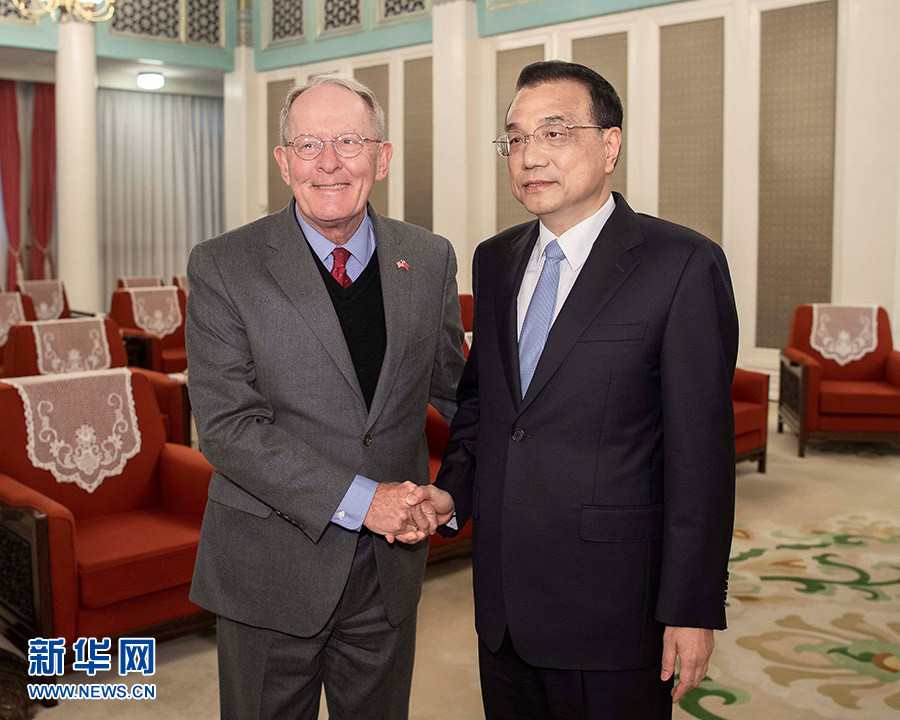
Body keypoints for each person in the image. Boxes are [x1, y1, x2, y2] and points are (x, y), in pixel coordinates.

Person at [407, 60, 739, 719]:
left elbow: (701, 456)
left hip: (615, 608)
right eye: (515, 138)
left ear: (610, 145)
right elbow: (485, 407)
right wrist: (454, 490)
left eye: (554, 133)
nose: (529, 155)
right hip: (504, 604)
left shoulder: (681, 263)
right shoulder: (495, 260)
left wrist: (692, 607)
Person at [185, 74, 465, 720]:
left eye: (348, 141)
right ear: (284, 162)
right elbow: (227, 427)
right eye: (308, 144)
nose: (328, 162)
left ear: (382, 157)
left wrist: (460, 487)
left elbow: (460, 394)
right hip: (270, 570)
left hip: (389, 572)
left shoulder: (428, 259)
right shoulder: (225, 264)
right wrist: (366, 502)